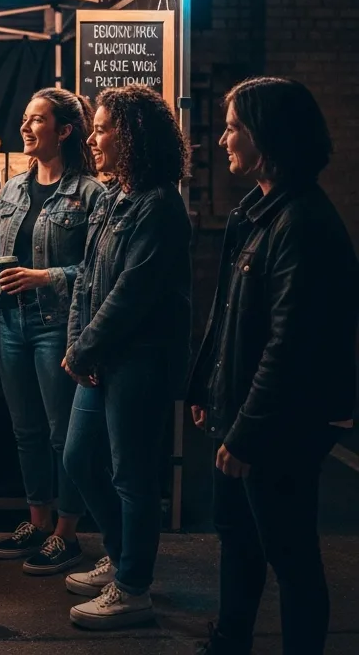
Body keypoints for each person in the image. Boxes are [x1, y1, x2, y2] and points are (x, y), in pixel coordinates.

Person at [187, 77, 357, 655]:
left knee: (291, 556)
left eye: (233, 127)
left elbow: (290, 346)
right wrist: (206, 387)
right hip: (244, 418)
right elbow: (231, 320)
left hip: (276, 428)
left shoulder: (302, 225)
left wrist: (248, 434)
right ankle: (230, 640)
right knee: (239, 542)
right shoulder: (260, 214)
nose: (222, 140)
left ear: (267, 136)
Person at [61, 83, 192, 630]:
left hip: (139, 360)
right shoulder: (116, 196)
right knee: (78, 460)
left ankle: (134, 588)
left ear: (131, 135)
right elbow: (89, 279)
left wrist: (84, 348)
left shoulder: (161, 207)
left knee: (131, 476)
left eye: (102, 127)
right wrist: (78, 347)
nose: (94, 137)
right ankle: (121, 558)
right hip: (101, 358)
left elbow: (130, 295)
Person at [0, 89, 104, 575]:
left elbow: (98, 269)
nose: (25, 128)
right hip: (10, 323)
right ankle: (37, 522)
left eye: (36, 121)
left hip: (56, 326)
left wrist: (48, 276)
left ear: (64, 131)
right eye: (24, 119)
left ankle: (67, 532)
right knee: (26, 431)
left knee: (61, 432)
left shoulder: (90, 194)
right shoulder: (13, 190)